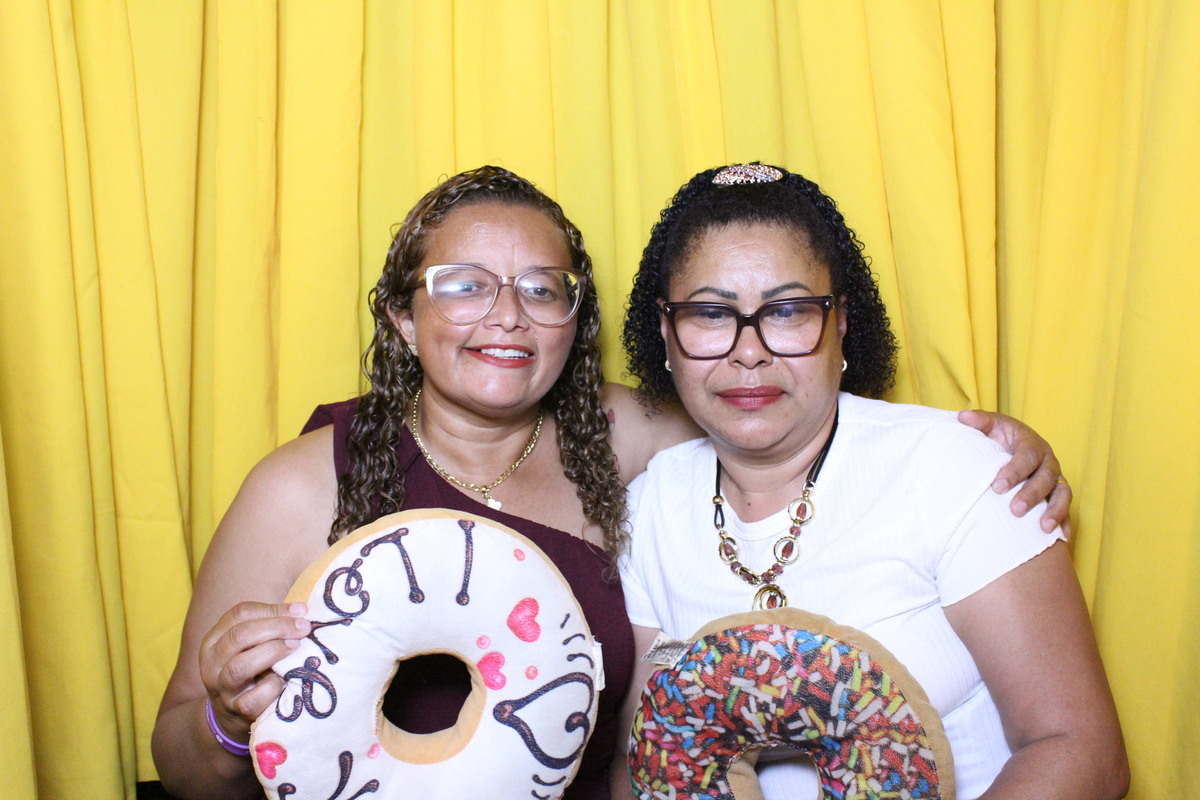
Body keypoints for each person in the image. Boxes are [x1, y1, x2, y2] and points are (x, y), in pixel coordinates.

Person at [151, 166, 1071, 800]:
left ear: (575, 317)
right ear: (401, 314)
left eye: (542, 288)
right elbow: (179, 758)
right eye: (463, 285)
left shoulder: (624, 438)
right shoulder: (303, 486)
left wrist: (991, 446)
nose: (507, 316)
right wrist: (229, 720)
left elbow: (770, 408)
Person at [615, 163, 1128, 800]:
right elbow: (646, 765)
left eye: (788, 310)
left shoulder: (953, 470)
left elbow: (1082, 752)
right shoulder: (648, 509)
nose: (749, 351)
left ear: (841, 322)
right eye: (711, 314)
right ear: (667, 330)